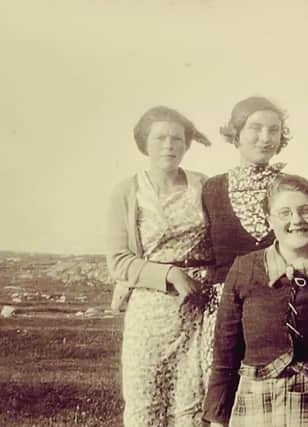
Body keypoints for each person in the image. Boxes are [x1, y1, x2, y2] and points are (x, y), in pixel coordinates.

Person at [203, 174, 308, 426]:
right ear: (269, 220)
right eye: (284, 213)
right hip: (257, 405)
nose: (296, 220)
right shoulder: (245, 269)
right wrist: (217, 418)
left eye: (305, 210)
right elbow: (225, 351)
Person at [106, 106, 214, 426]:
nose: (169, 145)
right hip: (149, 309)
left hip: (199, 309)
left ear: (187, 144)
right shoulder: (127, 191)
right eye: (160, 138)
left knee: (192, 406)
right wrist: (169, 274)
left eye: (177, 139)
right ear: (145, 144)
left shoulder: (204, 186)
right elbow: (119, 261)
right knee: (144, 404)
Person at [199, 96, 291, 384]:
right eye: (256, 128)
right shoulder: (211, 189)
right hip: (224, 314)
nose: (266, 138)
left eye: (274, 130)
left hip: (280, 311)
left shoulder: (292, 187)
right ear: (236, 133)